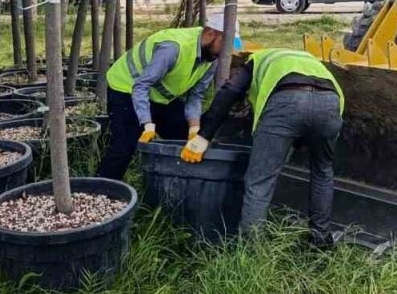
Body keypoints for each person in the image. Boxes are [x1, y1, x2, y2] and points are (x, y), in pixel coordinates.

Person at [192, 48, 344, 245]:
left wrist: (204, 136)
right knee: (322, 171)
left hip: (286, 102)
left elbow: (230, 91)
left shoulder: (255, 60)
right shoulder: (310, 61)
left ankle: (250, 250)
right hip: (330, 103)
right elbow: (311, 115)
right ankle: (321, 241)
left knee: (259, 182)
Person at [97, 15, 233, 180]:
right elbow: (141, 86)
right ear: (211, 34)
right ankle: (101, 190)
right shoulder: (173, 48)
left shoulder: (212, 58)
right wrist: (147, 123)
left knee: (187, 137)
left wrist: (194, 129)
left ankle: (177, 184)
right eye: (224, 44)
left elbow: (196, 96)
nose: (227, 51)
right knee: (123, 148)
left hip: (159, 96)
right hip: (126, 87)